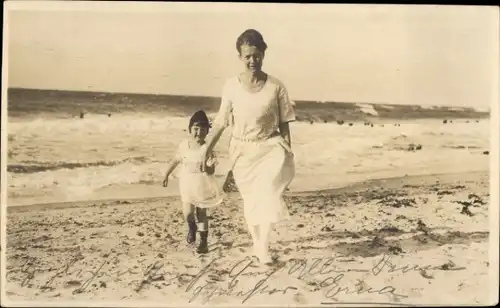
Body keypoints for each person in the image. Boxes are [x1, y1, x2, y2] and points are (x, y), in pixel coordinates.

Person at [201, 29, 296, 264]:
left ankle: (263, 245)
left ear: (263, 54)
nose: (252, 61)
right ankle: (256, 241)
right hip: (242, 151)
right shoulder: (231, 86)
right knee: (251, 200)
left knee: (268, 196)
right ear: (240, 57)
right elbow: (222, 121)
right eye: (247, 56)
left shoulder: (276, 87)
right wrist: (206, 150)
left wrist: (288, 153)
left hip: (270, 148)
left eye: (256, 55)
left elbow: (285, 122)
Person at [163, 110, 222, 254]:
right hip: (187, 185)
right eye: (196, 129)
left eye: (203, 129)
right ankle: (192, 227)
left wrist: (207, 167)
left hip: (202, 186)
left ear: (207, 131)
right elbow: (175, 160)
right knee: (188, 213)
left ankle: (203, 241)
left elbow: (211, 172)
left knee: (201, 214)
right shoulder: (184, 145)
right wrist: (166, 174)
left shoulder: (207, 149)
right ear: (190, 129)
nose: (199, 132)